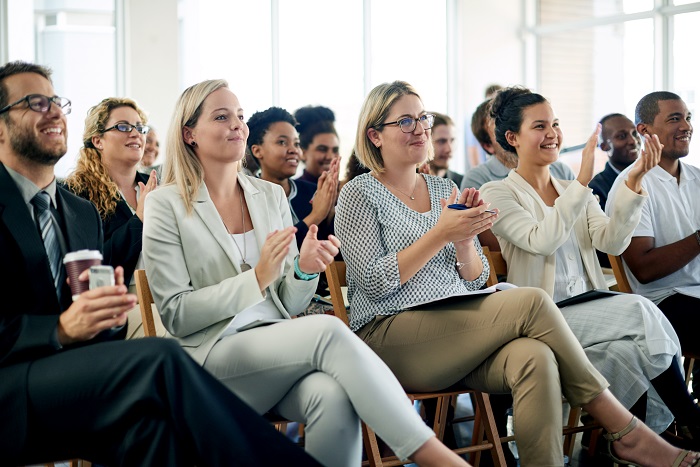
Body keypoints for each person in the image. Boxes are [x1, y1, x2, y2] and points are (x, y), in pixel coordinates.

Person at [334, 79, 700, 467]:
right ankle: (626, 432)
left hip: (454, 327)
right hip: (391, 332)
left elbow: (474, 279)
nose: (421, 127)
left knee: (535, 357)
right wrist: (441, 233)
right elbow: (373, 284)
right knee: (532, 301)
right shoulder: (360, 192)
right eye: (405, 121)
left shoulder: (443, 188)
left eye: (422, 117)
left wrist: (460, 241)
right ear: (374, 135)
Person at [0, 60, 322, 467]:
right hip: (11, 381)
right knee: (161, 357)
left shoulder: (77, 212)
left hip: (77, 372)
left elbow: (89, 308)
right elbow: (68, 321)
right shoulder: (129, 200)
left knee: (156, 433)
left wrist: (106, 314)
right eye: (33, 102)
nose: (53, 111)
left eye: (56, 101)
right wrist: (61, 329)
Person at [142, 78, 469, 467]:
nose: (237, 125)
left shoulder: (269, 196)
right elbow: (177, 315)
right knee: (329, 330)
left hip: (275, 348)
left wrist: (303, 269)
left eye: (240, 116)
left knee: (333, 395)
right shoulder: (166, 205)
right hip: (206, 360)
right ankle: (434, 456)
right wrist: (258, 277)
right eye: (222, 116)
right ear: (189, 133)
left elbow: (288, 302)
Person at [480, 86, 700, 444]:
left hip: (588, 312)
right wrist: (581, 182)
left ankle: (630, 447)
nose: (552, 133)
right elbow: (541, 240)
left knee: (631, 352)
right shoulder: (498, 192)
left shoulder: (571, 188)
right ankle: (689, 420)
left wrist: (633, 180)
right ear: (512, 138)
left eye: (554, 123)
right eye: (539, 126)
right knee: (642, 311)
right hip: (542, 316)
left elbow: (612, 241)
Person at [606, 91, 700, 395]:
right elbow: (644, 268)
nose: (686, 125)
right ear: (644, 130)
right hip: (662, 302)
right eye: (674, 118)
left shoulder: (697, 178)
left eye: (687, 117)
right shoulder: (632, 185)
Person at [64, 97, 157, 288]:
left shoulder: (156, 187)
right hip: (120, 303)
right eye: (123, 127)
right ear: (98, 141)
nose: (135, 134)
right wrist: (139, 219)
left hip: (167, 295)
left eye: (140, 128)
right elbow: (94, 266)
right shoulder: (76, 194)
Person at [247, 106, 338, 250]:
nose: (294, 150)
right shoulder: (247, 198)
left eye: (296, 144)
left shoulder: (315, 192)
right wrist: (316, 215)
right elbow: (272, 251)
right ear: (257, 150)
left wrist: (331, 215)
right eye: (282, 142)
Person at [461, 98, 575, 191]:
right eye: (499, 132)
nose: (552, 134)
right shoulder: (479, 179)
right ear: (488, 146)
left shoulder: (561, 171)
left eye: (555, 124)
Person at [590, 113, 641, 211]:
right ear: (604, 146)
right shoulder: (597, 188)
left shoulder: (652, 173)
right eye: (622, 136)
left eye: (635, 133)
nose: (633, 141)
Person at [294, 105, 340, 185]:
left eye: (335, 150)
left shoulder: (346, 190)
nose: (330, 157)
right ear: (303, 152)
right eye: (322, 149)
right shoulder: (291, 191)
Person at [424, 112, 463, 186]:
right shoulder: (410, 181)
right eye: (441, 141)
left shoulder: (462, 183)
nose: (449, 149)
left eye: (452, 141)